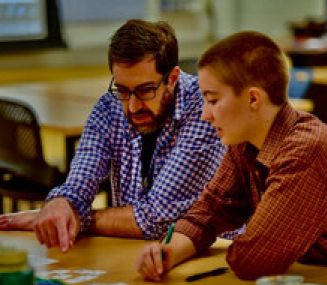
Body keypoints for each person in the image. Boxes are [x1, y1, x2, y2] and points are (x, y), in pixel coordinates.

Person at [135, 31, 327, 281]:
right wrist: (167, 252)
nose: (205, 114)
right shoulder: (244, 141)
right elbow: (209, 211)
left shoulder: (305, 150)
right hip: (315, 277)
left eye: (212, 100)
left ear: (253, 99)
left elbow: (252, 260)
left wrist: (247, 235)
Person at [0, 19, 225, 253]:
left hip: (211, 254)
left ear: (173, 78)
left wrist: (76, 217)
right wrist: (62, 204)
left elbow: (155, 219)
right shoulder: (109, 106)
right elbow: (79, 182)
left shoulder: (205, 110)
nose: (133, 107)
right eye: (123, 91)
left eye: (146, 90)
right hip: (131, 250)